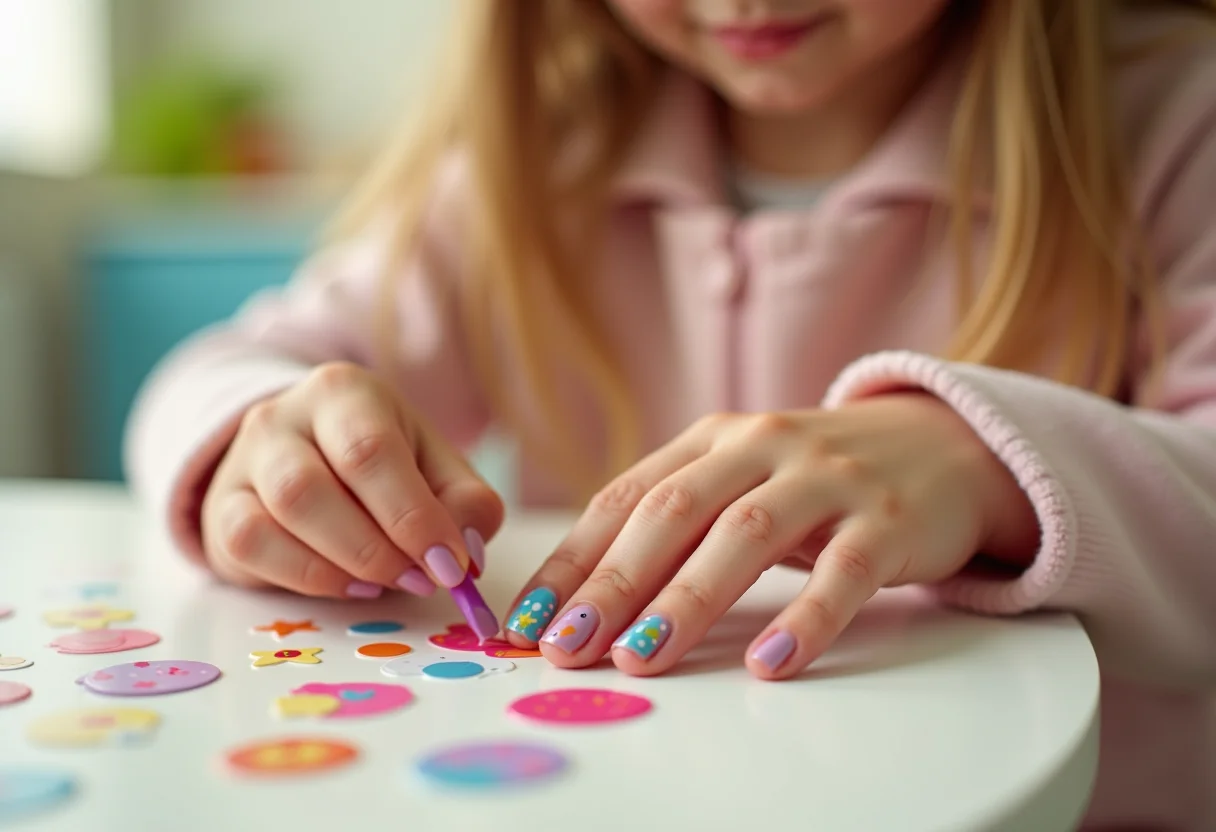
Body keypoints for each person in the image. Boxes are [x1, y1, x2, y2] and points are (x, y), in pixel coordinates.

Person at [126, 1, 1216, 827]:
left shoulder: (1174, 119)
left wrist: (984, 471)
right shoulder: (537, 160)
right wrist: (256, 439)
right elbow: (225, 368)